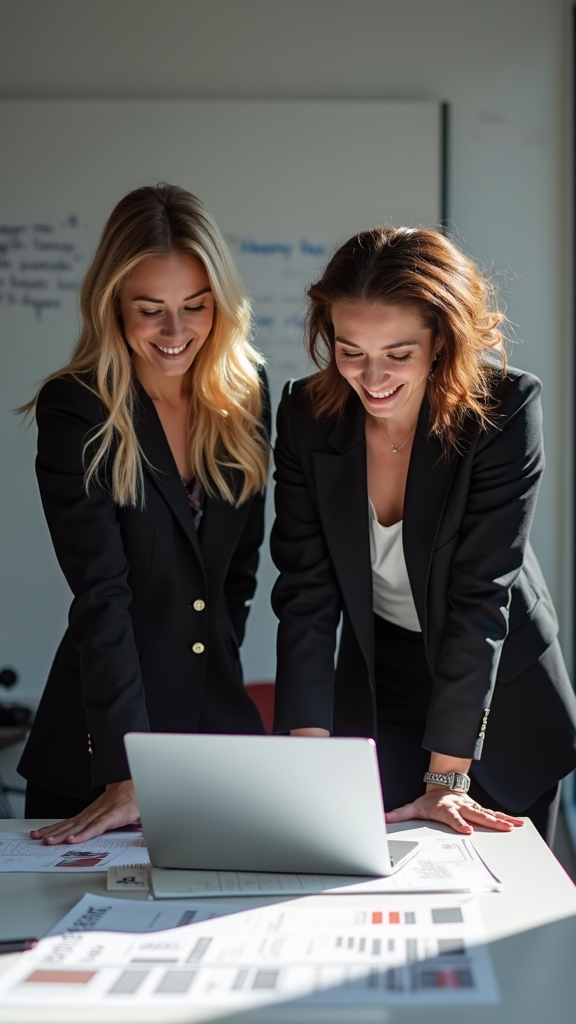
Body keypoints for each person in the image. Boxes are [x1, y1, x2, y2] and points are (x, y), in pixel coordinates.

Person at [270, 226, 576, 846]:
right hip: (383, 674)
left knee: (493, 898)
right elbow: (306, 593)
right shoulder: (307, 413)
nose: (371, 377)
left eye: (398, 354)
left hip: (495, 688)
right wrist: (307, 754)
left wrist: (447, 782)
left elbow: (481, 594)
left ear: (441, 339)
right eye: (350, 350)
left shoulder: (504, 408)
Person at [18, 184, 270, 842]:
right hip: (99, 757)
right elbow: (102, 594)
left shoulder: (248, 397)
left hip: (214, 740)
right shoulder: (76, 408)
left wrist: (208, 671)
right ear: (112, 305)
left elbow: (238, 572)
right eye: (149, 309)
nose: (176, 331)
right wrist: (127, 770)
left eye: (195, 306)